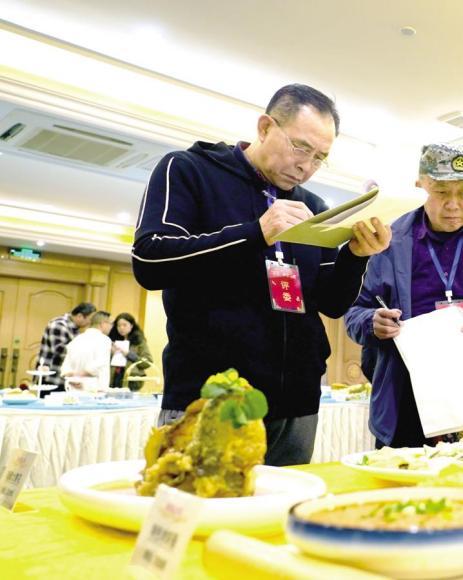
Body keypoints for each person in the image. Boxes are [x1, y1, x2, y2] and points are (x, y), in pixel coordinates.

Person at [132, 84, 391, 466]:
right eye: (301, 147)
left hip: (297, 404)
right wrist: (256, 232)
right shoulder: (189, 169)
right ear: (265, 127)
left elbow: (331, 303)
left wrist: (355, 256)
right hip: (211, 399)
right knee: (197, 502)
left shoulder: (312, 206)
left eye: (320, 157)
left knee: (284, 506)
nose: (307, 166)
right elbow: (149, 261)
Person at [345, 143, 463, 448]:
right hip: (405, 401)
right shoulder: (389, 241)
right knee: (401, 478)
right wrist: (372, 322)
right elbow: (354, 309)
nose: (453, 204)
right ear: (421, 186)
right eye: (441, 192)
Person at [37, 302, 96, 391]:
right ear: (80, 316)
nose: (90, 322)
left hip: (63, 378)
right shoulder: (59, 325)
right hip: (51, 378)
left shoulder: (74, 328)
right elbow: (59, 350)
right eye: (89, 319)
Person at [61, 311, 113, 392]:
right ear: (103, 324)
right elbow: (100, 364)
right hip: (94, 387)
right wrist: (80, 375)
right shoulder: (104, 340)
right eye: (111, 323)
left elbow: (66, 366)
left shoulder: (77, 339)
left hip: (73, 385)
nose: (111, 327)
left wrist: (73, 377)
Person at [107, 313, 153, 390]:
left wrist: (129, 354)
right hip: (114, 377)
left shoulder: (139, 341)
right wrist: (111, 353)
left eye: (124, 325)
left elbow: (148, 362)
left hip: (131, 380)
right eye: (119, 325)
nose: (121, 328)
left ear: (131, 325)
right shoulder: (112, 341)